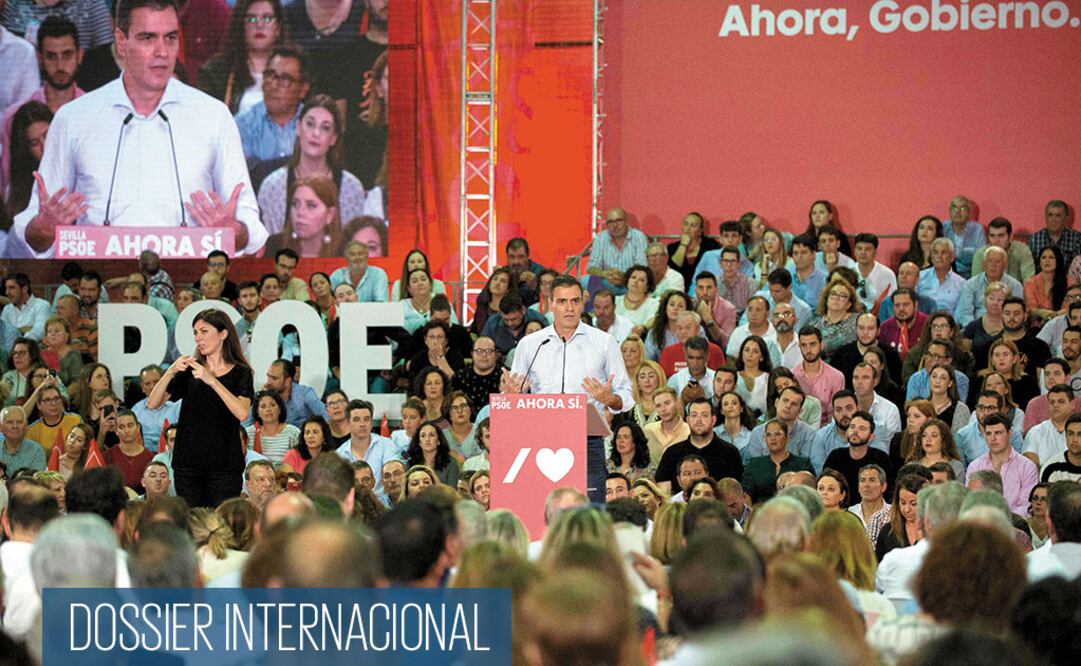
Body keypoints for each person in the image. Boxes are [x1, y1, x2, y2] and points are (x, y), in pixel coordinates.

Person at [11, 0, 269, 257]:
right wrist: (45, 228)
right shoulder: (74, 118)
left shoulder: (213, 116)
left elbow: (249, 226)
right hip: (98, 284)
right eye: (148, 38)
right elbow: (36, 234)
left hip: (191, 284)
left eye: (170, 38)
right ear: (121, 42)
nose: (162, 51)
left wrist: (233, 230)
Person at [503, 276, 633, 503]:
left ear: (583, 302)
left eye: (575, 301)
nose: (570, 308)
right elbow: (514, 396)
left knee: (592, 509)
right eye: (562, 301)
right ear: (549, 303)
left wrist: (610, 399)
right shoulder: (530, 345)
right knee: (538, 507)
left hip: (587, 439)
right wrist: (512, 397)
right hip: (538, 438)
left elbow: (626, 396)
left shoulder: (604, 342)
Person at [148, 309, 254, 508]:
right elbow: (153, 403)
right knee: (192, 521)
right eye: (195, 333)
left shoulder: (241, 372)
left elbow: (242, 412)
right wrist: (170, 372)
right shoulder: (190, 370)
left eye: (204, 331)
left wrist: (211, 380)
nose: (198, 338)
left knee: (221, 521)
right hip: (188, 462)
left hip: (224, 463)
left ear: (223, 334)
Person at [256, 94, 369, 237]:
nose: (316, 133)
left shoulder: (351, 188)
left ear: (334, 138)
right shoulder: (273, 186)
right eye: (310, 124)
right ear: (298, 128)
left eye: (325, 128)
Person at [196, 0, 286, 115]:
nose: (259, 25)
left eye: (267, 19)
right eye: (251, 19)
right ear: (241, 27)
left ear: (278, 28)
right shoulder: (216, 72)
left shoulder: (296, 70)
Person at [234, 45, 309, 169]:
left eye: (285, 79)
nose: (274, 85)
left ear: (303, 89)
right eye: (270, 75)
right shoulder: (243, 124)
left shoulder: (314, 124)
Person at [966, 413, 1037, 515]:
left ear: (1009, 434)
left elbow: (1027, 505)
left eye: (998, 433)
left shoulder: (1027, 467)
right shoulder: (975, 466)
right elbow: (970, 501)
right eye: (988, 433)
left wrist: (1003, 520)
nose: (993, 438)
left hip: (1015, 524)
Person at [264, 175, 343, 258]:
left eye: (311, 206)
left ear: (329, 214)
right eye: (295, 204)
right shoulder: (274, 247)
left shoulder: (344, 252)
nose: (300, 212)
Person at [742, 418, 814, 504]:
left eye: (777, 434)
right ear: (765, 439)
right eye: (768, 435)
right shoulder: (754, 464)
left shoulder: (802, 464)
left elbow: (809, 494)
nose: (772, 438)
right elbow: (746, 495)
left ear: (787, 437)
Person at [3, 101, 51, 223]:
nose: (44, 147)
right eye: (34, 143)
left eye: (47, 135)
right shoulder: (19, 190)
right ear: (27, 150)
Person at [586, 207, 649, 294]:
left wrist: (623, 277)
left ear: (626, 221)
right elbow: (591, 267)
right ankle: (596, 307)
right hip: (607, 283)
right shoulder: (600, 238)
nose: (615, 225)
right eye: (611, 222)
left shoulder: (639, 237)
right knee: (585, 281)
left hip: (630, 283)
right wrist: (606, 274)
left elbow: (642, 268)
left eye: (619, 220)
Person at [263, 358, 327, 428]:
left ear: (288, 381)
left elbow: (326, 418)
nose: (268, 382)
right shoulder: (265, 396)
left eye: (274, 378)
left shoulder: (305, 394)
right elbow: (249, 424)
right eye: (268, 377)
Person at [101, 409, 153, 493]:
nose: (127, 431)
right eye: (121, 427)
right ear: (116, 431)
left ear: (138, 427)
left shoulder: (150, 458)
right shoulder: (108, 456)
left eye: (130, 425)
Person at [971, 216, 1035, 284]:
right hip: (987, 293)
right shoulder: (981, 254)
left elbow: (1029, 282)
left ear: (1010, 237)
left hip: (1016, 293)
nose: (996, 240)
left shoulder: (1022, 250)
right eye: (992, 236)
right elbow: (976, 284)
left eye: (1001, 235)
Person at [808, 278, 860, 361]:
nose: (837, 298)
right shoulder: (814, 324)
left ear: (849, 304)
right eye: (833, 294)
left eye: (842, 296)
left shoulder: (858, 322)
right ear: (826, 299)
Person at [1022, 384, 1072, 470]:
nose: (1055, 405)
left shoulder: (1078, 430)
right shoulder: (1035, 432)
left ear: (1072, 404)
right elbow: (1030, 466)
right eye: (1052, 402)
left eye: (1061, 401)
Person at [1030, 199, 1081, 273]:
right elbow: (1030, 270)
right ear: (1045, 217)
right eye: (1050, 215)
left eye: (1058, 215)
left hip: (1069, 283)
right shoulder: (1034, 239)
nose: (1053, 220)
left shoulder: (1077, 238)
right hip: (1042, 282)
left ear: (1066, 218)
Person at [453, 335, 501, 415]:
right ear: (472, 354)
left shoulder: (505, 377)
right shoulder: (460, 377)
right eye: (479, 351)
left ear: (496, 354)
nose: (484, 355)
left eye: (489, 351)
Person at [941, 195, 986, 278]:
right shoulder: (942, 227)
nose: (958, 212)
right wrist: (966, 254)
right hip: (946, 274)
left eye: (962, 208)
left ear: (969, 212)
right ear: (949, 211)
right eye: (954, 208)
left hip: (971, 274)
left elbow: (980, 256)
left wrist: (953, 255)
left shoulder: (977, 229)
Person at [917, 238, 966, 312]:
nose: (939, 256)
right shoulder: (919, 277)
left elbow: (961, 313)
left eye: (944, 252)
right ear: (931, 257)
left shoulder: (962, 283)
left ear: (952, 257)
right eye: (935, 252)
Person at [909, 418, 965, 483]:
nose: (928, 439)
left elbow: (958, 492)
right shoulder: (911, 466)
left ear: (944, 440)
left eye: (934, 436)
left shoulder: (956, 466)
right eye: (924, 436)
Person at [1026, 245, 1069, 326]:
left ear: (1058, 260)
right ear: (1039, 261)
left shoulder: (1069, 282)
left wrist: (1054, 316)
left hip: (1063, 324)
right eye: (1044, 257)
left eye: (1051, 257)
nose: (1047, 261)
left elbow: (1071, 307)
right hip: (1038, 326)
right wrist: (1041, 313)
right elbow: (1031, 309)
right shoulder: (1031, 283)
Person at [2, 273, 49, 341]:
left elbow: (39, 332)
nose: (7, 292)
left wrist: (17, 342)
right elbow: (2, 333)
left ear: (24, 289)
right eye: (6, 288)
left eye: (12, 288)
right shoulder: (7, 309)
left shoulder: (42, 305)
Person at [0, 406, 44, 471]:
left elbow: (34, 480)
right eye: (10, 422)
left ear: (26, 426)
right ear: (1, 427)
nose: (15, 426)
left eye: (19, 422)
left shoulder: (36, 451)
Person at [1041, 413, 1081, 483]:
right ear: (1065, 435)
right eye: (1070, 434)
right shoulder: (1051, 468)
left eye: (1080, 435)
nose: (1075, 439)